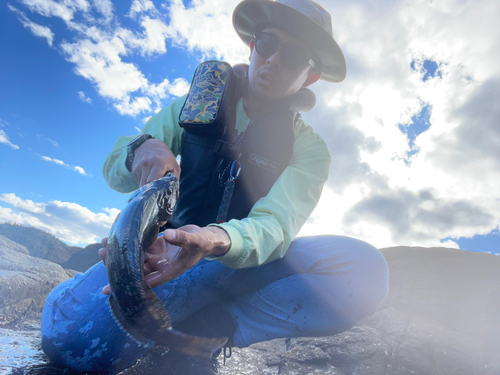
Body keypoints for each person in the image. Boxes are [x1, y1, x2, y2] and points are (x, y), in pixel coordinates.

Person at [40, 0, 389, 374]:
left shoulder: (309, 150)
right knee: (73, 346)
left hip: (234, 264)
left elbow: (276, 226)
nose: (273, 59)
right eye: (267, 43)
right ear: (253, 46)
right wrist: (139, 148)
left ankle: (212, 327)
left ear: (311, 75)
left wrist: (213, 239)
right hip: (163, 259)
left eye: (293, 54)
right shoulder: (192, 107)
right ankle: (77, 289)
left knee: (365, 271)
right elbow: (115, 173)